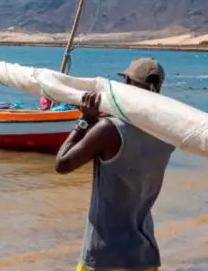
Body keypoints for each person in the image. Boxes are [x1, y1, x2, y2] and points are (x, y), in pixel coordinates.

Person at [54, 57, 175, 271]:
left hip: (104, 256)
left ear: (127, 84)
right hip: (145, 255)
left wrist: (84, 121)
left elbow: (62, 164)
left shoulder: (108, 130)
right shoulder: (168, 134)